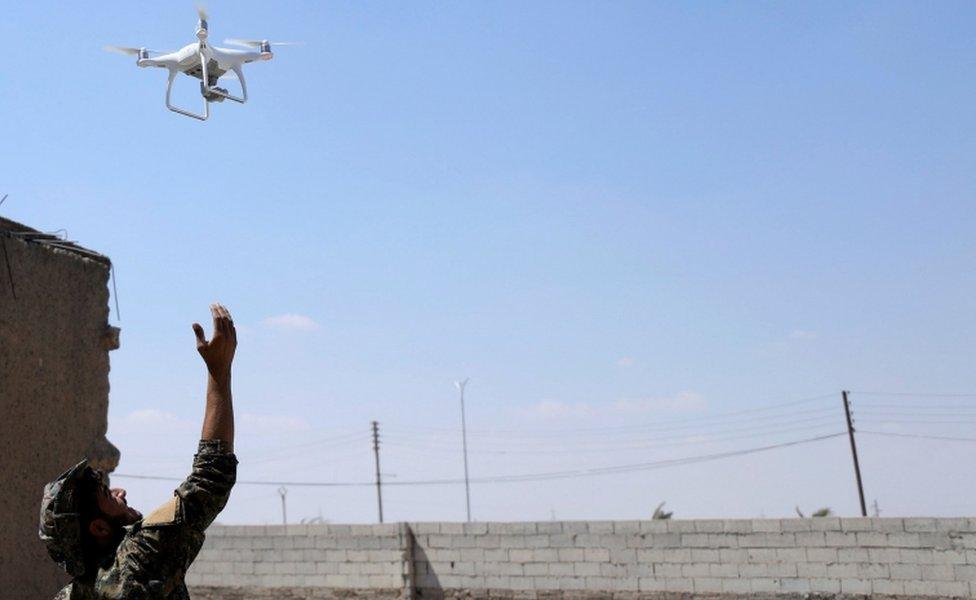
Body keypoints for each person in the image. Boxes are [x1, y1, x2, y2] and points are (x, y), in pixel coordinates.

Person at [40, 304, 238, 599]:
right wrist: (218, 372)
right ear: (99, 528)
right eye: (108, 495)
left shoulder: (72, 594)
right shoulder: (136, 561)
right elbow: (209, 480)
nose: (120, 492)